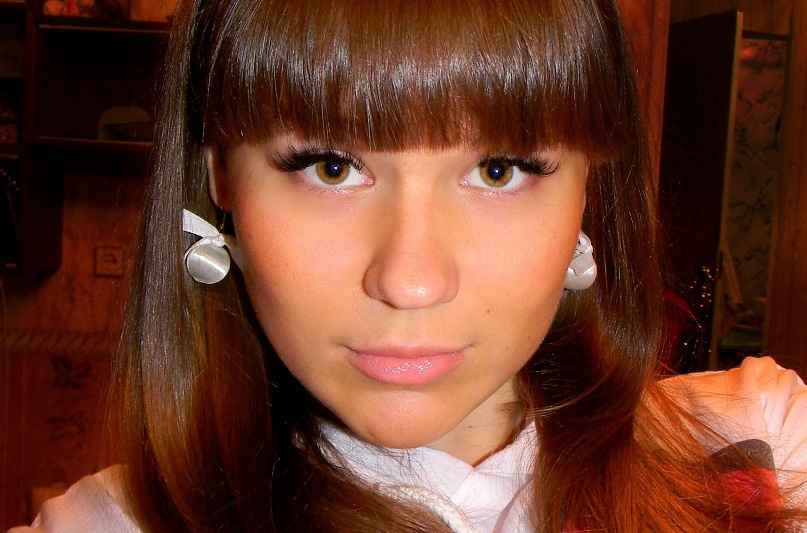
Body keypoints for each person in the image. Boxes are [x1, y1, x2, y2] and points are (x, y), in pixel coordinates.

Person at [10, 0, 807, 531]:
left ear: (587, 188)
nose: (411, 281)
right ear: (219, 174)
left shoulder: (758, 451)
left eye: (497, 168)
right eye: (330, 166)